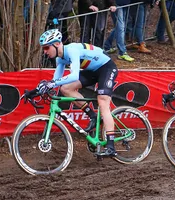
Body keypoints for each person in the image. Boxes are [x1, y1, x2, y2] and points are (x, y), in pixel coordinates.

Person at [38, 29, 120, 157]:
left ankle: (111, 146)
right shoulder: (60, 59)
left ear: (58, 44)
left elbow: (74, 75)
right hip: (92, 71)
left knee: (102, 101)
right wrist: (37, 90)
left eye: (47, 47)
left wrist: (51, 84)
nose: (45, 51)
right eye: (44, 49)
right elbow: (55, 82)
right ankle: (93, 116)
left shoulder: (71, 50)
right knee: (65, 89)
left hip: (106, 68)